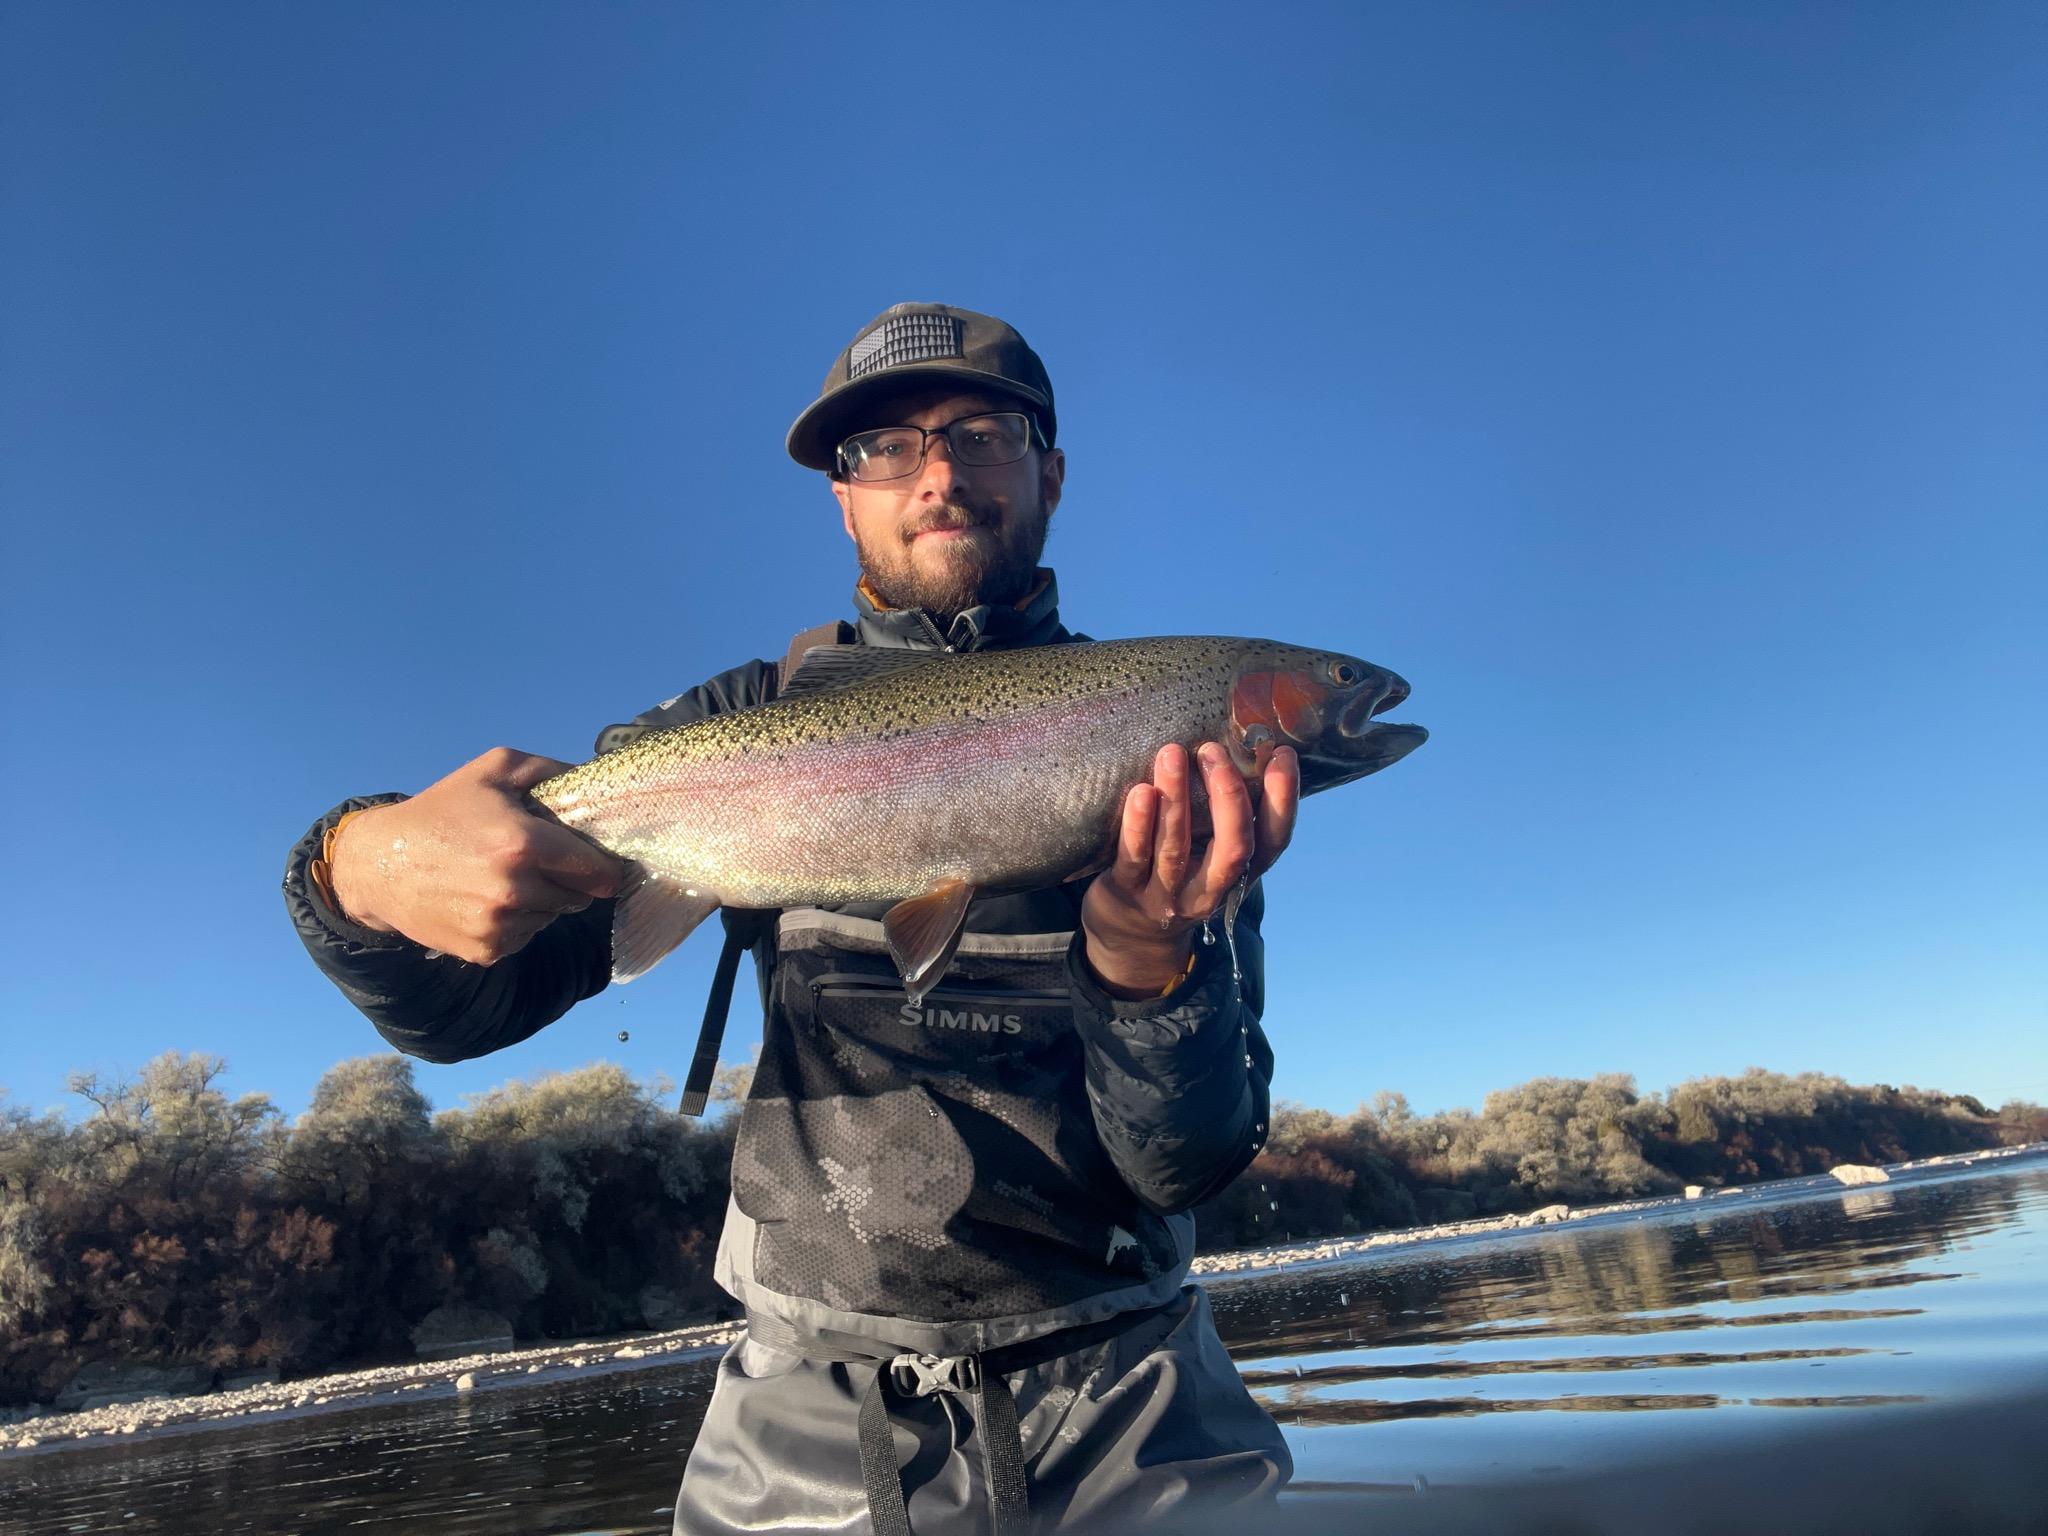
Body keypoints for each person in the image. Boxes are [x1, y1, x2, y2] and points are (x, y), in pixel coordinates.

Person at [284, 303, 1299, 1533]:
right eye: (880, 447)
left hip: (1135, 1412)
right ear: (841, 498)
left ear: (1050, 470)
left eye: (980, 433)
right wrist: (356, 866)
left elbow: (1188, 1160)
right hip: (806, 1436)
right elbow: (464, 1011)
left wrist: (1146, 960)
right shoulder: (732, 722)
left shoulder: (1162, 754)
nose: (936, 472)